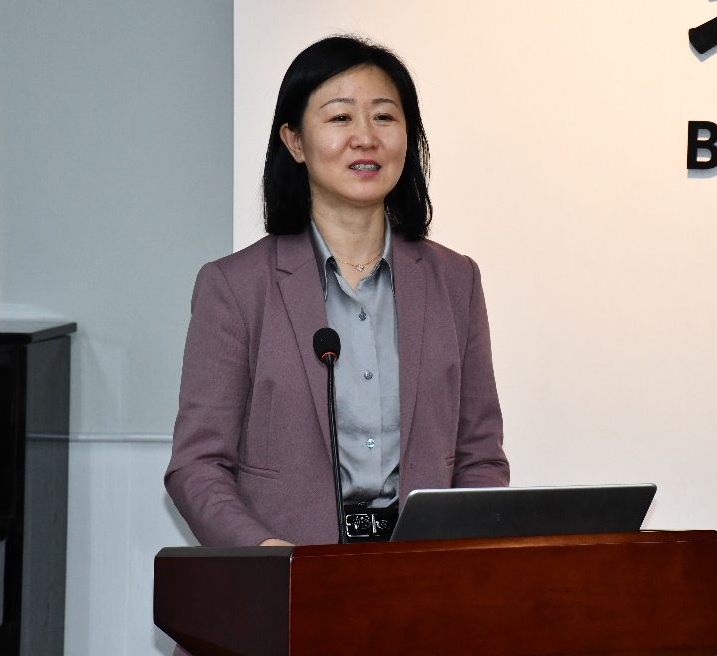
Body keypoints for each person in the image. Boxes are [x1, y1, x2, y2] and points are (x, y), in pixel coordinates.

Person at [164, 36, 509, 549]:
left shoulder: (456, 281)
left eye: (384, 117)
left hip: (422, 573)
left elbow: (480, 454)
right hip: (289, 573)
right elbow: (198, 466)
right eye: (341, 117)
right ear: (295, 142)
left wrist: (454, 553)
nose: (365, 137)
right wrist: (268, 556)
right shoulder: (235, 287)